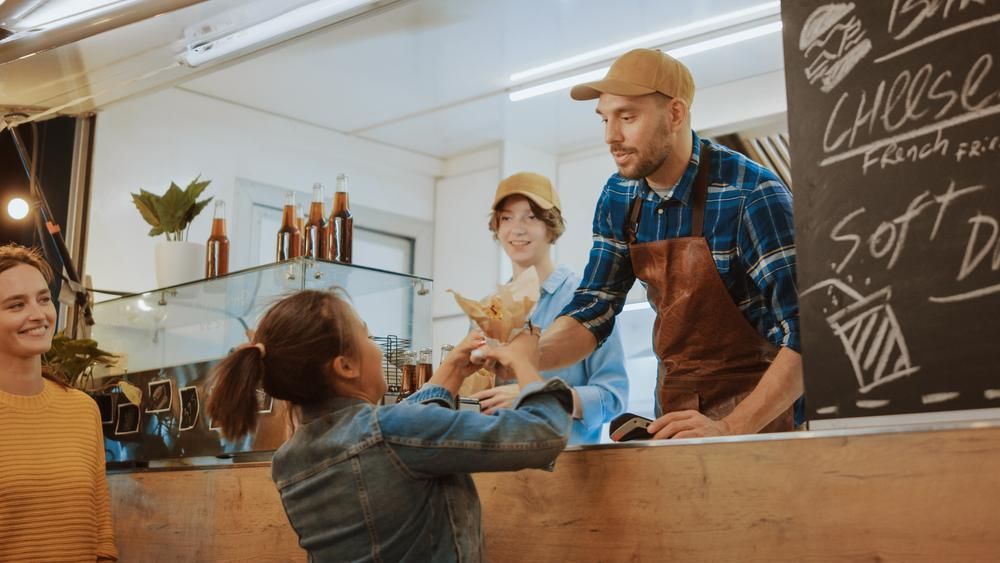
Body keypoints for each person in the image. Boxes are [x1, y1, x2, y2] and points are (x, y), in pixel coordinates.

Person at [540, 48, 802, 439]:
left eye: (627, 117)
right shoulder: (620, 195)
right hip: (676, 420)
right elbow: (593, 308)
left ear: (675, 115)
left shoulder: (752, 193)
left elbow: (806, 333)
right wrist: (522, 354)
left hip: (762, 428)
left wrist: (729, 428)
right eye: (605, 119)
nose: (611, 136)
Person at [206, 289, 572, 562]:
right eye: (366, 335)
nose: (377, 347)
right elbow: (543, 433)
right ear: (345, 366)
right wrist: (525, 363)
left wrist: (454, 368)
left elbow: (396, 437)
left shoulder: (288, 461)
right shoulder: (390, 433)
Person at [473, 171, 628, 444]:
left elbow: (613, 397)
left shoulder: (588, 300)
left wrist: (538, 394)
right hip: (498, 465)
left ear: (551, 225)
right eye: (506, 218)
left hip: (567, 469)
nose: (517, 229)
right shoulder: (487, 310)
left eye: (530, 217)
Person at [0, 244, 118, 562]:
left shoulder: (81, 410)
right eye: (15, 305)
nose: (38, 315)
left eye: (43, 299)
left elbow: (102, 539)